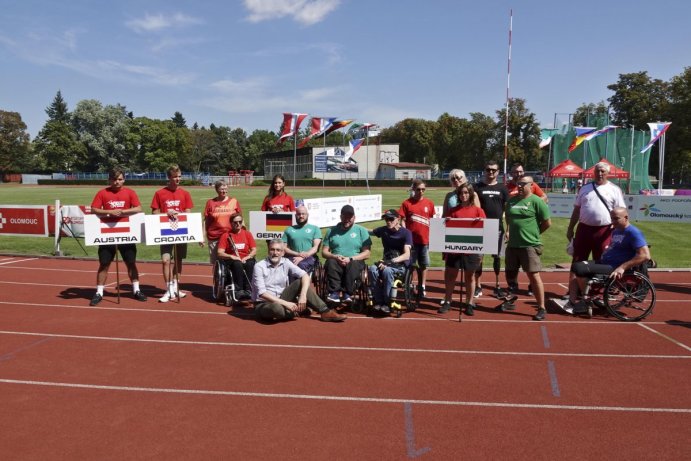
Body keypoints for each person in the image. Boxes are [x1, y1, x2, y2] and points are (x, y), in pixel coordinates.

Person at [556, 207, 650, 314]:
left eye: (616, 219)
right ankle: (572, 301)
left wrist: (622, 268)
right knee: (576, 266)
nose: (613, 222)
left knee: (579, 268)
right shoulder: (616, 231)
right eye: (611, 219)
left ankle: (586, 301)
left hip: (614, 267)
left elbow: (645, 256)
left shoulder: (634, 233)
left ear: (626, 217)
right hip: (605, 262)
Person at [88, 167, 147, 306]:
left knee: (131, 263)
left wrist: (122, 212)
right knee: (104, 264)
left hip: (126, 234)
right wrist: (109, 212)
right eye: (114, 179)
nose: (117, 182)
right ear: (109, 180)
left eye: (120, 179)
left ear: (124, 180)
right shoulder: (102, 193)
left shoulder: (130, 192)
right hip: (107, 234)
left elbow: (138, 208)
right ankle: (99, 292)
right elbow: (93, 209)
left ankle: (136, 290)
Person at [566, 162, 626, 296]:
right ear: (594, 172)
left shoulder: (614, 190)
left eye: (603, 171)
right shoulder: (584, 188)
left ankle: (599, 292)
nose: (600, 174)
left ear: (608, 173)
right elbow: (576, 210)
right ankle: (573, 291)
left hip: (604, 232)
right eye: (597, 171)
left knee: (602, 263)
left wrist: (620, 231)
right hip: (584, 230)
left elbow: (622, 212)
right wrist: (570, 228)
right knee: (577, 261)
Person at [253, 239, 346, 322]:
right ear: (268, 251)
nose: (275, 253)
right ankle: (296, 311)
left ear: (283, 253)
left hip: (282, 298)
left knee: (300, 282)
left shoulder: (286, 262)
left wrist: (303, 296)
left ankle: (325, 312)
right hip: (264, 303)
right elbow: (262, 293)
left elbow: (305, 275)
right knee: (276, 308)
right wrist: (287, 304)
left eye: (278, 250)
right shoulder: (259, 266)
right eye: (272, 249)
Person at [502, 176, 551, 321]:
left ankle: (541, 307)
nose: (520, 186)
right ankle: (510, 300)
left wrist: (534, 234)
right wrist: (509, 229)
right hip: (512, 245)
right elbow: (509, 218)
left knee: (533, 276)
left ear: (531, 185)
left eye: (523, 184)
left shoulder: (537, 201)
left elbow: (547, 223)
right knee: (510, 274)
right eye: (519, 184)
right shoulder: (511, 201)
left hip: (529, 245)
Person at [439, 183, 486, 317]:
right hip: (454, 250)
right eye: (461, 193)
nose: (464, 195)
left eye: (466, 192)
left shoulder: (478, 211)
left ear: (470, 194)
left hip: (471, 250)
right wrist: (446, 222)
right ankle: (447, 301)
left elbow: (485, 229)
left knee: (469, 277)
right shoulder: (453, 211)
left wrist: (479, 222)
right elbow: (444, 228)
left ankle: (469, 303)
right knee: (450, 275)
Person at [151, 165, 194, 303]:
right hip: (165, 231)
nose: (178, 179)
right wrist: (167, 213)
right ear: (169, 177)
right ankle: (168, 288)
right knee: (165, 260)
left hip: (181, 230)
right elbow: (154, 213)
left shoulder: (185, 193)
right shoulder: (159, 193)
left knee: (178, 259)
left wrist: (180, 214)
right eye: (175, 177)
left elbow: (188, 212)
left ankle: (176, 286)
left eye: (180, 176)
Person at [322, 204, 372, 304]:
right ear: (341, 217)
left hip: (354, 260)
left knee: (353, 264)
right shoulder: (331, 231)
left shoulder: (361, 231)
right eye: (345, 216)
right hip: (336, 260)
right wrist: (334, 256)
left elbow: (367, 253)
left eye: (350, 217)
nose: (347, 219)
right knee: (331, 262)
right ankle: (334, 293)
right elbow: (324, 252)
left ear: (354, 217)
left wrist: (351, 258)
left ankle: (348, 293)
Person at [474, 160, 509, 298]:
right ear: (485, 170)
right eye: (488, 169)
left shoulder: (503, 188)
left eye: (494, 170)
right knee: (479, 258)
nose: (491, 172)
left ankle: (497, 285)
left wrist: (508, 229)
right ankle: (478, 286)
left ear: (498, 172)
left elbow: (508, 211)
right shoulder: (477, 187)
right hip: (481, 227)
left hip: (498, 227)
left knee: (497, 258)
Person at [368, 209, 413, 315]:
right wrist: (353, 226)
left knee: (387, 271)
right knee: (372, 269)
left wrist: (390, 262)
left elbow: (407, 255)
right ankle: (378, 301)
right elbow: (370, 231)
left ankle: (387, 303)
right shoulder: (384, 230)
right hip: (386, 262)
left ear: (398, 219)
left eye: (391, 219)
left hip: (400, 265)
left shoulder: (406, 233)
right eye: (386, 219)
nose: (388, 221)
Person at [398, 179, 435, 297]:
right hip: (411, 242)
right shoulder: (406, 203)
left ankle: (422, 286)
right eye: (418, 189)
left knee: (424, 265)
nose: (421, 192)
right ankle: (409, 285)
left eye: (423, 189)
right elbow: (402, 220)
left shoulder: (429, 203)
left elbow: (432, 221)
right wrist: (406, 235)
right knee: (410, 265)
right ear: (413, 189)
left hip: (425, 241)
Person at [217, 213, 257, 300]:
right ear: (231, 223)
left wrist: (248, 256)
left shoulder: (247, 234)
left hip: (246, 258)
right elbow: (220, 253)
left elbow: (254, 250)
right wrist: (232, 257)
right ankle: (239, 290)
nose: (238, 224)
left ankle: (248, 289)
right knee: (237, 264)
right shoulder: (226, 236)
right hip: (232, 260)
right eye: (235, 222)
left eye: (240, 222)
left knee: (250, 264)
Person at [204, 180, 241, 267]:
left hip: (230, 236)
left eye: (225, 188)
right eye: (221, 189)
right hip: (214, 237)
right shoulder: (210, 203)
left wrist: (242, 233)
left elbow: (240, 219)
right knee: (216, 264)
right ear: (217, 190)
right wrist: (202, 236)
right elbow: (206, 221)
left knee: (232, 261)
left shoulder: (234, 201)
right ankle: (218, 280)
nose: (224, 191)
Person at [282, 205, 321, 273]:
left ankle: (303, 283)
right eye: (299, 214)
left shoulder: (315, 229)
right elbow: (284, 248)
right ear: (295, 215)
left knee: (300, 265)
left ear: (307, 215)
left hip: (310, 257)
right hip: (293, 257)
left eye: (303, 214)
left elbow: (315, 247)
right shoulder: (289, 229)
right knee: (288, 266)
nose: (301, 216)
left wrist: (304, 256)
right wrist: (298, 254)